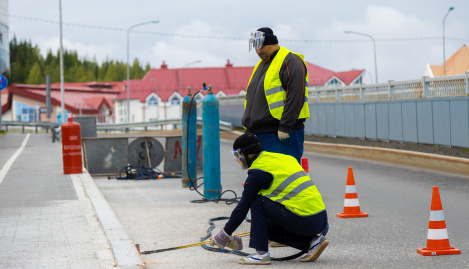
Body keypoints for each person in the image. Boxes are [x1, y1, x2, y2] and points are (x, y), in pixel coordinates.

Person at [210, 133, 329, 265]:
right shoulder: (281, 158)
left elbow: (242, 208)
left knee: (256, 201)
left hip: (305, 221)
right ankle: (313, 242)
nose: (239, 159)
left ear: (247, 153)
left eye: (239, 155)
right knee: (263, 227)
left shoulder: (257, 172)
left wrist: (225, 234)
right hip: (321, 219)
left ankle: (261, 254)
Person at [242, 27, 310, 163]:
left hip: (280, 134)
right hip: (260, 135)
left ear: (273, 43)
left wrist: (285, 126)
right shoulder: (262, 65)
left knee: (285, 175)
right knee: (266, 179)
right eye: (255, 47)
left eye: (261, 46)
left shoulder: (289, 61)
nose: (258, 51)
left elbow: (296, 95)